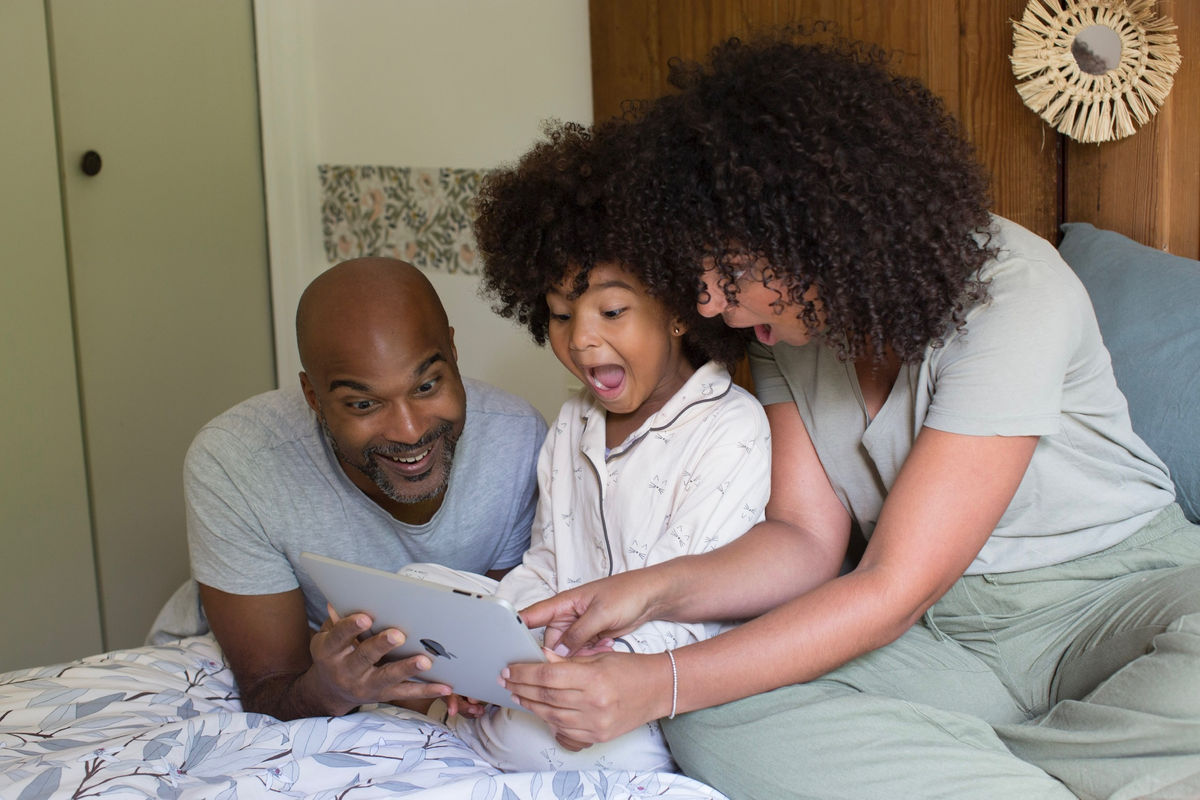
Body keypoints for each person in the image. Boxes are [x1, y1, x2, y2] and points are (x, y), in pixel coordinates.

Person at [499, 34, 1200, 800]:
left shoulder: (1013, 294)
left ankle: (1001, 771)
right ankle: (1079, 772)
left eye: (734, 271)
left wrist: (657, 681)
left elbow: (895, 586)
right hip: (952, 644)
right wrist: (650, 592)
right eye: (701, 273)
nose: (709, 304)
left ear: (822, 235)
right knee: (715, 714)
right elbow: (803, 541)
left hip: (1116, 601)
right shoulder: (777, 327)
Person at [402, 122, 772, 772]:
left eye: (611, 312)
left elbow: (691, 616)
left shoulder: (730, 429)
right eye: (560, 314)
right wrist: (502, 651)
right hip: (561, 656)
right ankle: (470, 707)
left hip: (656, 683)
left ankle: (477, 724)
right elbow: (546, 564)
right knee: (415, 594)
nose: (579, 340)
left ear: (678, 310)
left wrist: (563, 672)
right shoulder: (575, 421)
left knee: (557, 740)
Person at [183, 257, 547, 720]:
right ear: (313, 398)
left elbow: (494, 640)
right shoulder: (235, 462)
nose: (410, 431)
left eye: (426, 385)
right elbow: (270, 689)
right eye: (363, 404)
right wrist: (331, 690)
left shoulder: (518, 440)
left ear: (453, 353)